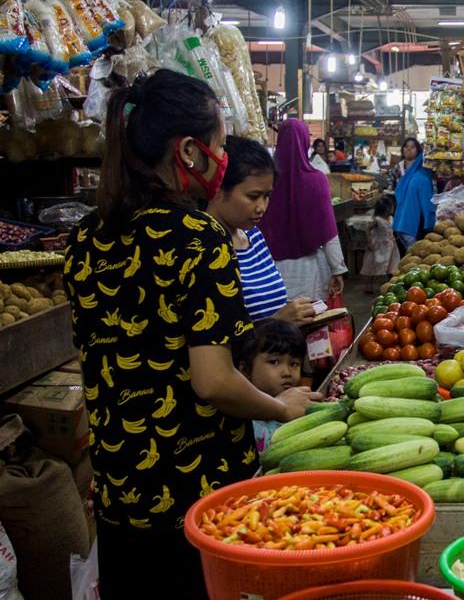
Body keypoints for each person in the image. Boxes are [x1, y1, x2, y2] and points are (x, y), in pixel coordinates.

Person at [64, 69, 321, 600]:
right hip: (194, 491)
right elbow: (212, 381)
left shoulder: (85, 237)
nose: (223, 158)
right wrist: (283, 408)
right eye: (220, 146)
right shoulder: (198, 237)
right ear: (188, 152)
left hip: (121, 486)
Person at [206, 136, 317, 326]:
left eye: (267, 196)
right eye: (253, 196)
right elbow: (213, 337)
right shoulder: (203, 247)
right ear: (219, 188)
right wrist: (277, 321)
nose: (261, 207)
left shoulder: (254, 236)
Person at [259, 119, 347, 303]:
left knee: (277, 327)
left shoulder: (264, 179)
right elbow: (328, 230)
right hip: (310, 273)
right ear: (305, 142)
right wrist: (337, 268)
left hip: (269, 272)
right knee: (310, 323)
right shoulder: (317, 180)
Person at [237, 319, 306, 454]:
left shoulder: (300, 405)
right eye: (274, 362)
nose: (287, 372)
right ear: (245, 370)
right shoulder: (243, 417)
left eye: (294, 364)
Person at [393, 137, 436, 253]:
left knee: (411, 252)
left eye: (412, 147)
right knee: (414, 253)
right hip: (409, 218)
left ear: (418, 150)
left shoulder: (418, 172)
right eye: (406, 147)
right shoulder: (401, 168)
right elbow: (427, 204)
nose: (409, 150)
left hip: (406, 219)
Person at [360, 196, 400, 293]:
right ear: (386, 208)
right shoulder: (377, 220)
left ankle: (388, 283)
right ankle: (369, 284)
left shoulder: (390, 218)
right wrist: (369, 242)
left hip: (390, 246)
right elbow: (367, 229)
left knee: (391, 264)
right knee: (373, 265)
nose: (393, 208)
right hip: (378, 246)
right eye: (391, 207)